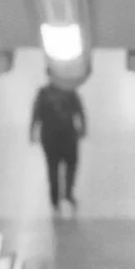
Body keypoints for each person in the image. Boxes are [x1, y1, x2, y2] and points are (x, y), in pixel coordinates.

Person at [30, 72, 86, 214]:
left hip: (49, 136)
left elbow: (36, 113)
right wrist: (82, 128)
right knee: (71, 165)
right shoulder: (70, 92)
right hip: (68, 135)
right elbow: (80, 111)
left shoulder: (43, 93)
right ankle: (68, 194)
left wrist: (32, 131)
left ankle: (55, 200)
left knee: (52, 168)